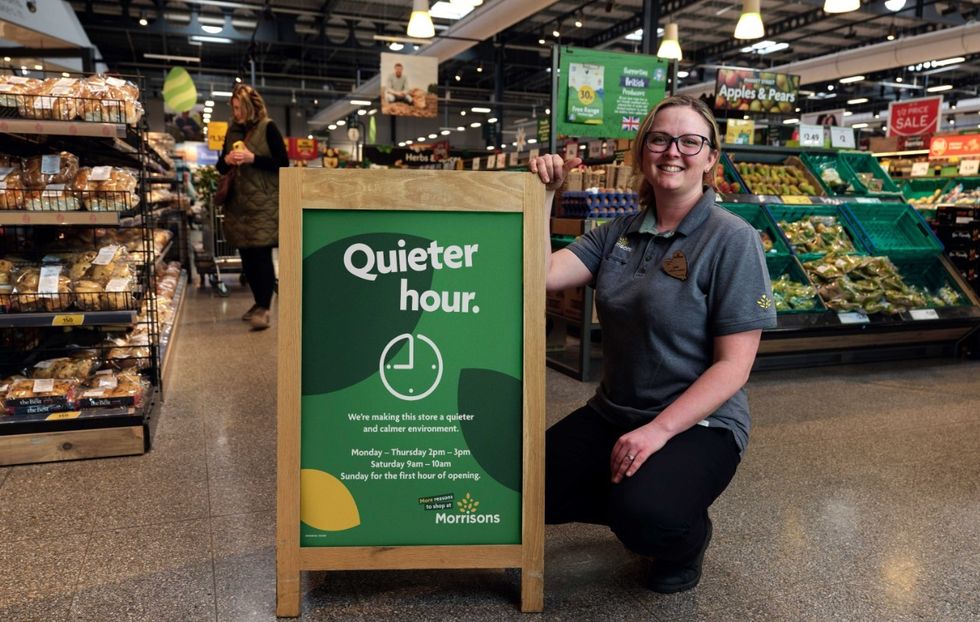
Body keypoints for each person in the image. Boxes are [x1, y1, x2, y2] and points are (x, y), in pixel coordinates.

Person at [529, 95, 776, 593]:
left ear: (709, 159)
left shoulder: (733, 239)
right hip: (614, 412)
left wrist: (657, 432)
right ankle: (634, 499)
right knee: (526, 489)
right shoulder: (619, 231)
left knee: (648, 516)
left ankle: (683, 534)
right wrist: (544, 197)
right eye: (660, 139)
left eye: (690, 142)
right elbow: (543, 274)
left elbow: (734, 367)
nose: (673, 152)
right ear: (643, 152)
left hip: (698, 422)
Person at [216, 83, 289, 331]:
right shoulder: (231, 132)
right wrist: (227, 160)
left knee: (261, 254)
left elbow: (283, 163)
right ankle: (258, 302)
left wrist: (252, 158)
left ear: (249, 106)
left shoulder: (268, 128)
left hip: (263, 204)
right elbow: (219, 167)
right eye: (233, 108)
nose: (235, 113)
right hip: (238, 204)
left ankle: (264, 307)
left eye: (239, 108)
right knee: (246, 256)